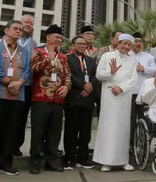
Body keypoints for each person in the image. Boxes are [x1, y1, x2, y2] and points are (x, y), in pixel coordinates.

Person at [0, 20, 31, 177]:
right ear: (6, 30)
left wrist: (20, 83)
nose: (18, 31)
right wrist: (10, 82)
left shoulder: (24, 51)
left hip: (17, 96)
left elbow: (27, 71)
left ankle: (6, 164)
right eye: (15, 28)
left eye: (20, 29)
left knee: (11, 131)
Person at [29, 24, 71, 174]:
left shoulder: (63, 56)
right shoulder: (38, 52)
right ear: (48, 37)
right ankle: (35, 160)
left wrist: (66, 87)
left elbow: (67, 76)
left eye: (61, 37)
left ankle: (52, 159)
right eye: (57, 37)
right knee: (38, 131)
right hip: (40, 98)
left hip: (58, 99)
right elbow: (33, 69)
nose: (59, 39)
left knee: (55, 132)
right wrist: (48, 60)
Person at [93, 34, 138, 172]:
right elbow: (98, 75)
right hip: (109, 97)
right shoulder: (107, 56)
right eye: (124, 43)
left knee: (123, 128)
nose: (126, 46)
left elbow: (134, 78)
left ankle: (123, 161)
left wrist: (121, 88)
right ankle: (106, 161)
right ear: (118, 43)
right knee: (109, 128)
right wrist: (110, 73)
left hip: (124, 97)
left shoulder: (132, 60)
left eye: (129, 44)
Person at [64, 36, 98, 170]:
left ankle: (83, 158)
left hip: (88, 99)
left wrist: (89, 87)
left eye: (84, 44)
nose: (82, 46)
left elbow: (96, 76)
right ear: (73, 45)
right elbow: (70, 75)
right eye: (79, 44)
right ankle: (69, 159)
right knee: (71, 130)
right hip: (74, 98)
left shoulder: (90, 60)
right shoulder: (67, 58)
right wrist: (83, 85)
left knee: (85, 131)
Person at [15, 14, 38, 157]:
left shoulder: (33, 43)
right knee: (10, 116)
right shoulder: (10, 39)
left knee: (22, 117)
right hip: (10, 83)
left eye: (31, 23)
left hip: (27, 85)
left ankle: (16, 145)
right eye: (26, 22)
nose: (28, 25)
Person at [129, 32, 156, 148]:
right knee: (130, 119)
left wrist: (143, 68)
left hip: (144, 93)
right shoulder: (126, 55)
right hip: (129, 93)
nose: (138, 43)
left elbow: (155, 71)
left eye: (140, 41)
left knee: (143, 119)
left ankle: (142, 143)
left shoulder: (148, 57)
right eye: (136, 41)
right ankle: (130, 144)